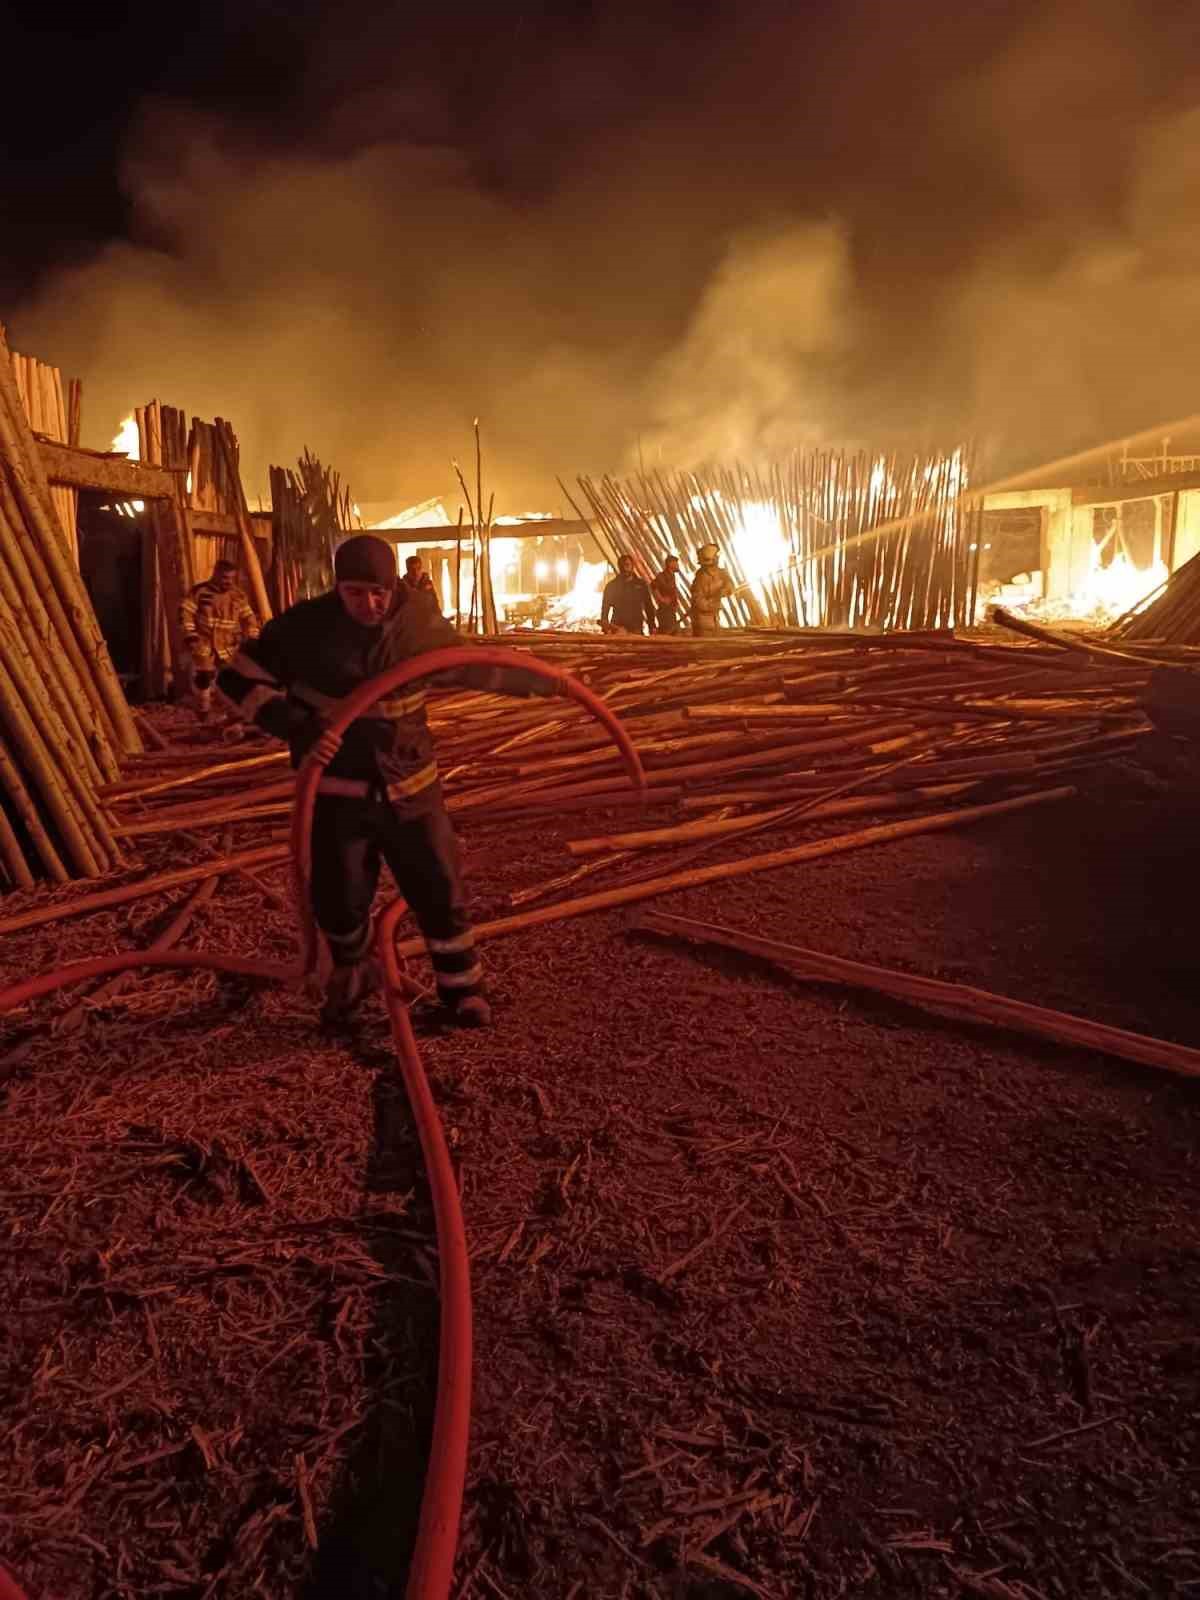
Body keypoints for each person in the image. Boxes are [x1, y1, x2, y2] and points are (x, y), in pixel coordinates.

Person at [217, 534, 562, 1028]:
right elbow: (237, 678)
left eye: (377, 592)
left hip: (413, 790)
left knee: (440, 888)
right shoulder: (303, 630)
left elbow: (467, 668)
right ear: (338, 587)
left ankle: (462, 991)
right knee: (339, 897)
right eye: (354, 592)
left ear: (394, 584)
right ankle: (354, 979)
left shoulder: (417, 623)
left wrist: (543, 681)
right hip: (338, 794)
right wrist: (297, 727)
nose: (368, 604)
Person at [180, 559, 260, 720]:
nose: (228, 582)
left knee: (229, 679)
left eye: (231, 578)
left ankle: (232, 714)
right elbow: (185, 613)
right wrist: (190, 635)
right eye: (224, 578)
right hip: (204, 643)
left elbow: (249, 618)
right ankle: (204, 712)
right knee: (204, 678)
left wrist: (252, 637)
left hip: (228, 644)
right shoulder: (199, 592)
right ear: (215, 574)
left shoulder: (237, 596)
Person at [601, 555, 656, 635]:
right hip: (617, 627)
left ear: (632, 566)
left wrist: (652, 626)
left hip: (636, 627)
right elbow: (605, 608)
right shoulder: (612, 586)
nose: (625, 568)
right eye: (622, 566)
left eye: (627, 565)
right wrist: (605, 626)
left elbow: (649, 606)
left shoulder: (641, 585)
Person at [690, 543, 735, 636]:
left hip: (715, 620)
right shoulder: (700, 578)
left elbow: (730, 585)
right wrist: (710, 604)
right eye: (716, 556)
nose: (717, 558)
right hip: (703, 622)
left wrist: (724, 590)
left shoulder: (721, 573)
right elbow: (697, 600)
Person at [650, 555, 682, 635]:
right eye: (676, 563)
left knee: (672, 631)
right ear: (670, 564)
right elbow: (654, 585)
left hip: (670, 610)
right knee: (667, 632)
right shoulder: (662, 575)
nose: (678, 565)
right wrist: (661, 599)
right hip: (665, 611)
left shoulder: (672, 576)